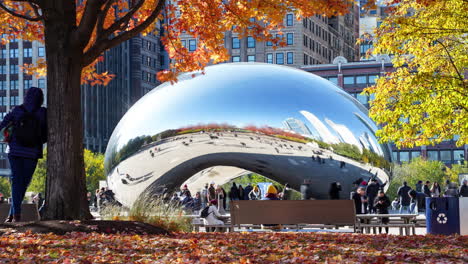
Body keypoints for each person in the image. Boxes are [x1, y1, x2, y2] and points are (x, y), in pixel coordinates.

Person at [0, 87, 47, 223]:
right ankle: (14, 215)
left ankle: (14, 214)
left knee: (17, 182)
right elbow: (46, 133)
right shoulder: (43, 112)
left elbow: (3, 125)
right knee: (23, 184)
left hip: (14, 151)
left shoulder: (17, 110)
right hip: (32, 152)